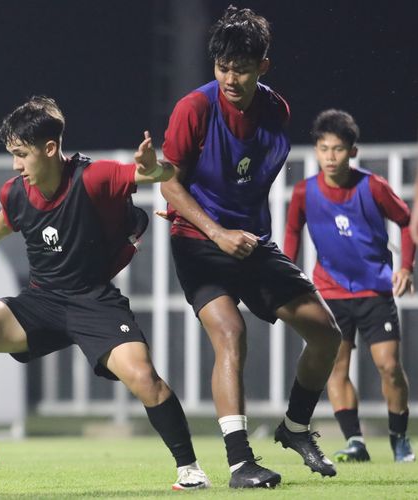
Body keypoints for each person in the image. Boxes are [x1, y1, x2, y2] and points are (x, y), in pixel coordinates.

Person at [0, 96, 211, 491]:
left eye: (21, 154)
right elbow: (7, 216)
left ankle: (190, 469)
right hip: (41, 302)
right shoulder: (14, 191)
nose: (15, 164)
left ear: (50, 149)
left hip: (92, 301)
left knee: (144, 379)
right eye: (12, 154)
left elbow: (155, 175)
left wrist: (155, 167)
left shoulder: (93, 178)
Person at [155, 5, 341, 488]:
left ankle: (295, 428)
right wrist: (209, 225)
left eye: (240, 67)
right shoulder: (193, 108)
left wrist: (242, 229)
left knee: (325, 334)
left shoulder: (276, 110)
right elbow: (169, 184)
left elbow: (248, 178)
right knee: (230, 333)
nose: (230, 78)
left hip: (251, 243)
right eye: (222, 67)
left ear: (263, 66)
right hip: (199, 243)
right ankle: (241, 464)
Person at [284, 109, 416, 463]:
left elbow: (406, 222)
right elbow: (292, 235)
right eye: (324, 148)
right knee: (336, 368)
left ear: (352, 152)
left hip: (375, 292)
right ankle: (355, 441)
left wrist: (405, 266)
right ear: (315, 150)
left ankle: (399, 438)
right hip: (329, 294)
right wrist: (286, 278)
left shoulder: (372, 186)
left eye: (338, 149)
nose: (330, 156)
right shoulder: (303, 192)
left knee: (388, 366)